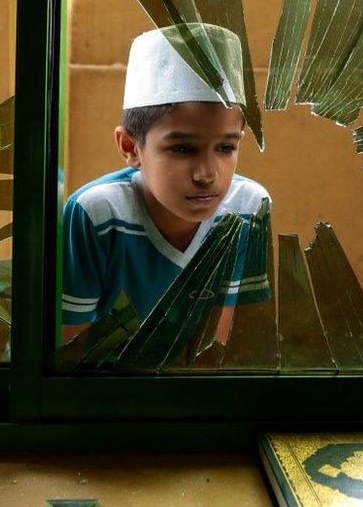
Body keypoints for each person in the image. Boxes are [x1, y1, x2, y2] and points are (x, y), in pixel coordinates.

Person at [61, 23, 270, 345]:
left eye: (226, 148)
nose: (206, 173)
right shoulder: (97, 213)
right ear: (131, 147)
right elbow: (69, 350)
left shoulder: (248, 209)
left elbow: (227, 348)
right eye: (182, 149)